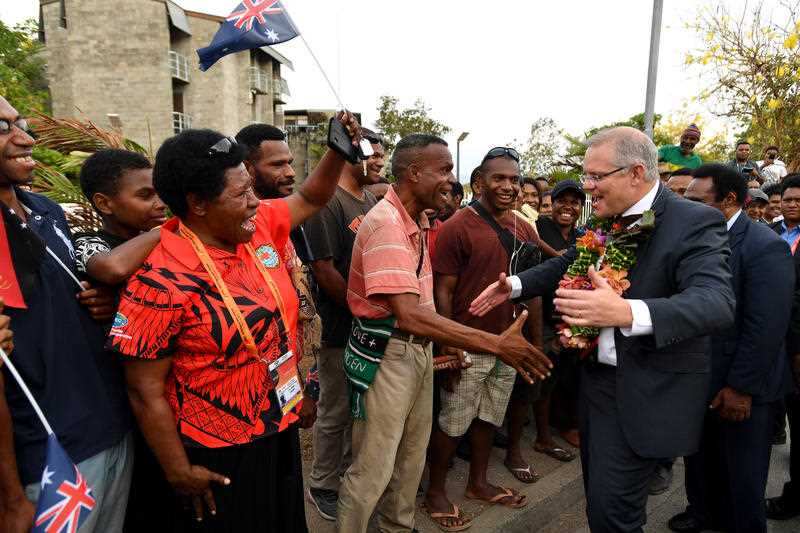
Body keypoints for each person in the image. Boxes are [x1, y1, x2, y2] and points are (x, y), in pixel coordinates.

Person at [470, 126, 735, 532]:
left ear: (635, 172)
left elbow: (715, 303)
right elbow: (569, 261)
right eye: (586, 176)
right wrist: (515, 285)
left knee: (614, 517)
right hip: (596, 386)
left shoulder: (694, 222)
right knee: (602, 506)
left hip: (646, 391)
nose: (588, 186)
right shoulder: (609, 219)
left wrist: (626, 313)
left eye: (596, 177)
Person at [109, 114, 361, 532]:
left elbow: (313, 197)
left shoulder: (257, 225)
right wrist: (178, 471)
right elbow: (143, 390)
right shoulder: (161, 279)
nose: (254, 201)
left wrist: (338, 150)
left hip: (275, 424)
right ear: (198, 203)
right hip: (215, 450)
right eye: (242, 192)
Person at [336, 134, 552, 533]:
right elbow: (408, 315)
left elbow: (426, 303)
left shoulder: (416, 220)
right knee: (373, 466)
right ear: (414, 172)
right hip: (388, 352)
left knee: (411, 458)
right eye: (445, 170)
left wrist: (447, 345)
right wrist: (494, 343)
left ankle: (397, 526)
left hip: (414, 353)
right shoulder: (386, 225)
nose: (452, 182)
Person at [0, 96, 134, 532]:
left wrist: (108, 304)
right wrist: (10, 497)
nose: (24, 138)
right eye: (3, 129)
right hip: (42, 452)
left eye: (20, 123)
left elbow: (64, 301)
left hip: (108, 424)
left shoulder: (46, 211)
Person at [668, 164, 793, 533]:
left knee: (742, 481)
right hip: (698, 380)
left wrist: (740, 388)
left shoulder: (764, 246)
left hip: (743, 389)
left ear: (729, 200)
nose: (685, 207)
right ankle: (703, 516)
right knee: (702, 466)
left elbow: (766, 327)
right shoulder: (690, 239)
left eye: (696, 201)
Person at [425, 147, 542, 530]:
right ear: (479, 182)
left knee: (490, 415)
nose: (508, 186)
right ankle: (436, 491)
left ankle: (477, 482)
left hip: (508, 343)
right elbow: (443, 290)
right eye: (499, 178)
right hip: (469, 343)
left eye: (514, 179)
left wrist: (531, 339)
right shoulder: (457, 226)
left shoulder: (523, 226)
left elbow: (534, 285)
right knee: (452, 420)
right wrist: (448, 341)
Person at [300, 127, 385, 521]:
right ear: (352, 155)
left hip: (367, 327)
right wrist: (359, 311)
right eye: (375, 154)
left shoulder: (367, 198)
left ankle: (347, 479)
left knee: (358, 410)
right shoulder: (327, 201)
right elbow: (324, 269)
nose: (381, 162)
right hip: (341, 328)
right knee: (334, 411)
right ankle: (321, 485)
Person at [518, 180, 584, 459]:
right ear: (551, 203)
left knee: (561, 378)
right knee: (536, 382)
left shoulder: (583, 237)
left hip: (568, 321)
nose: (568, 206)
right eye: (562, 200)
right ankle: (535, 441)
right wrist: (535, 336)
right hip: (540, 319)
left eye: (575, 202)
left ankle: (556, 429)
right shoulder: (537, 228)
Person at [73, 149, 166, 284]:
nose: (161, 204)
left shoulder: (164, 240)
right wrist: (166, 230)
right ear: (104, 203)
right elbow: (113, 268)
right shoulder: (87, 243)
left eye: (160, 193)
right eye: (145, 195)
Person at [765, 174, 800, 521]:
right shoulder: (771, 234)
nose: (791, 204)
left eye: (798, 199)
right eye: (787, 199)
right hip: (776, 343)